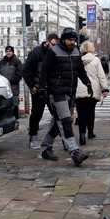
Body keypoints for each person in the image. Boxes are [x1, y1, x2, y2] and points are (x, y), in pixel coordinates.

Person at [38, 29, 93, 166]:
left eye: (74, 40)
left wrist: (88, 83)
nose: (72, 43)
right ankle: (74, 152)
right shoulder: (53, 52)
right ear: (63, 40)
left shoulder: (75, 52)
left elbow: (80, 70)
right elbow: (44, 71)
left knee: (58, 124)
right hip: (56, 93)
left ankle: (46, 148)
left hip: (70, 92)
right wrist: (42, 89)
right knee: (66, 121)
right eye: (70, 40)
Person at [21, 33, 59, 149]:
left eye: (56, 45)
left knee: (58, 116)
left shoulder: (55, 53)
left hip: (51, 89)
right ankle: (33, 138)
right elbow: (26, 70)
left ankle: (62, 140)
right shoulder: (36, 53)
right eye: (52, 44)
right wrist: (32, 86)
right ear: (47, 41)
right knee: (36, 115)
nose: (54, 47)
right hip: (38, 89)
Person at [74, 41, 109, 144]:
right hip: (92, 90)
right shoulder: (96, 60)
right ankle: (90, 132)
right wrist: (105, 88)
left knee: (81, 113)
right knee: (91, 112)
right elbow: (101, 75)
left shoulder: (78, 60)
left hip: (80, 89)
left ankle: (81, 135)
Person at [0, 46, 23, 124]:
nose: (8, 52)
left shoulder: (17, 62)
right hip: (3, 89)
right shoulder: (1, 62)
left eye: (10, 51)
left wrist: (10, 81)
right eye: (7, 51)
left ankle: (15, 122)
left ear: (13, 52)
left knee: (14, 106)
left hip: (13, 89)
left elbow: (19, 74)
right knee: (4, 106)